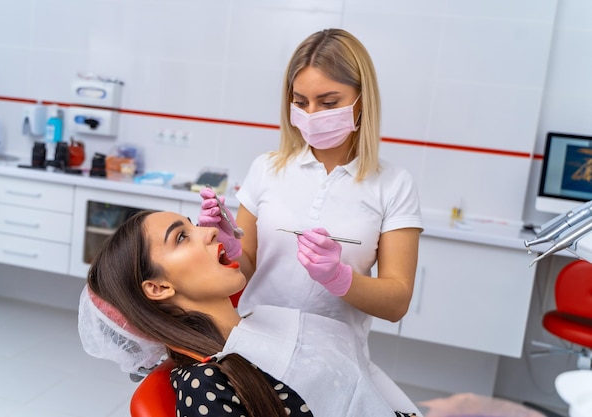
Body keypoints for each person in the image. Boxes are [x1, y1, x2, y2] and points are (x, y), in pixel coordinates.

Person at [198, 28, 423, 413]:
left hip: (334, 363)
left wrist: (340, 279)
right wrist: (230, 248)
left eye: (328, 101)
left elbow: (397, 301)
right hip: (254, 348)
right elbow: (247, 267)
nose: (312, 115)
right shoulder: (267, 169)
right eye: (300, 102)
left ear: (361, 101)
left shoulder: (393, 184)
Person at [78, 210, 419, 417]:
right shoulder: (204, 385)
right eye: (182, 237)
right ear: (158, 288)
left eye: (191, 224)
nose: (209, 229)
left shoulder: (269, 318)